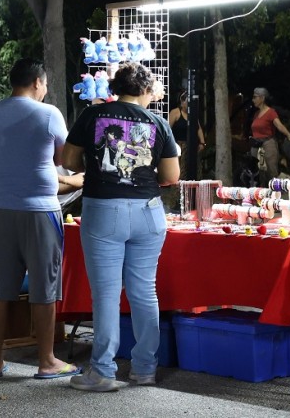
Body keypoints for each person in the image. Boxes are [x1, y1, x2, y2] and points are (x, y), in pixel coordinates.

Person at [63, 63, 180, 391]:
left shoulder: (93, 115)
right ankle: (145, 368)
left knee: (107, 294)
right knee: (144, 291)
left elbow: (69, 160)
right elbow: (171, 176)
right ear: (145, 90)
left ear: (115, 87)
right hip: (148, 213)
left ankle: (102, 371)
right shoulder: (158, 122)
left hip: (103, 211)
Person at [0, 58, 79, 379]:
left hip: (0, 210)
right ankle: (47, 360)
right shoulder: (49, 114)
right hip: (40, 211)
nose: (46, 90)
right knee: (43, 287)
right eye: (46, 84)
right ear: (37, 82)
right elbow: (66, 159)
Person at [250, 87, 290, 184]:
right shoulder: (256, 114)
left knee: (271, 170)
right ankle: (261, 194)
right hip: (256, 145)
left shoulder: (271, 112)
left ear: (262, 98)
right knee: (258, 172)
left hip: (268, 143)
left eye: (255, 97)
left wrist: (288, 134)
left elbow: (279, 125)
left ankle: (276, 193)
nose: (253, 100)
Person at [168, 91, 206, 157]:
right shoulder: (175, 112)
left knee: (193, 166)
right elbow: (167, 129)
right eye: (188, 103)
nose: (190, 105)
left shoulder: (193, 113)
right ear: (182, 102)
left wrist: (202, 143)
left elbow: (198, 128)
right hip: (179, 146)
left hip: (193, 145)